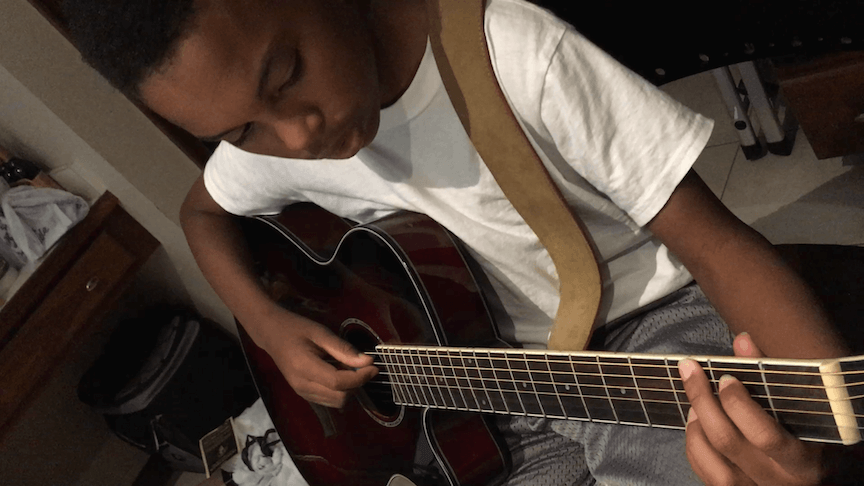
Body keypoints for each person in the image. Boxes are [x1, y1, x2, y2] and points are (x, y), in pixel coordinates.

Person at [63, 0, 856, 484]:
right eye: (241, 131)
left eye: (289, 73)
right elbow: (202, 216)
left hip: (644, 341)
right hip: (486, 389)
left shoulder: (512, 52)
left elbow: (717, 246)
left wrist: (821, 431)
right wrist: (269, 326)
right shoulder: (273, 145)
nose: (298, 136)